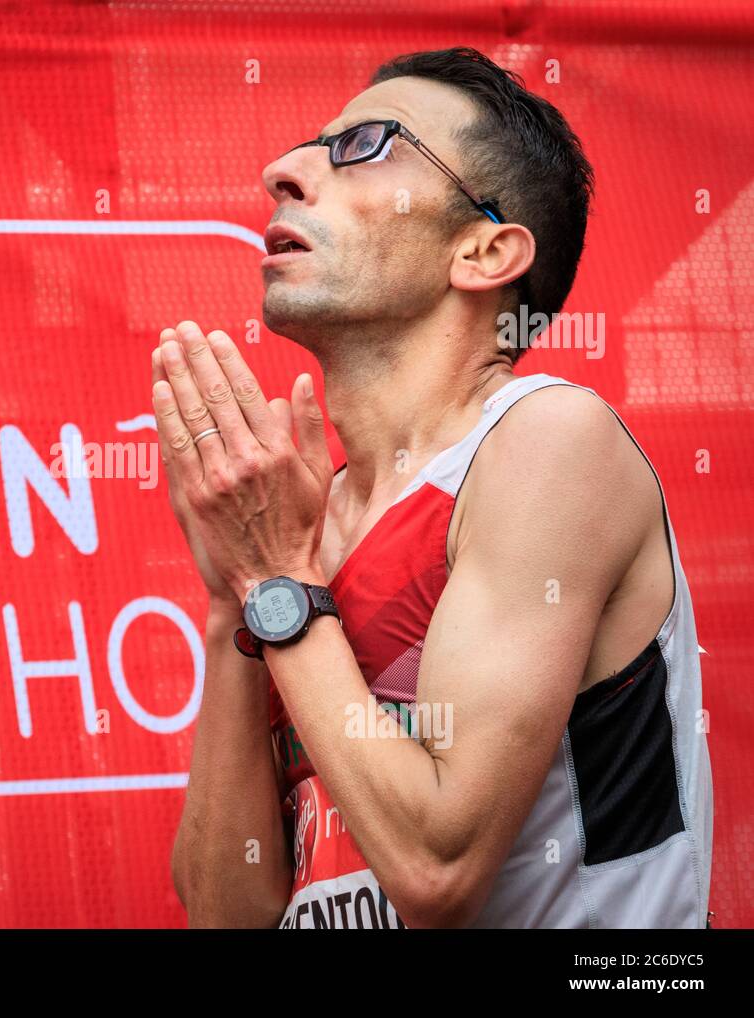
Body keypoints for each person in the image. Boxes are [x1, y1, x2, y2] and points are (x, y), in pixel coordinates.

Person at [160, 47, 712, 929]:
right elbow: (227, 914)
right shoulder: (300, 528)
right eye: (310, 145)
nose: (284, 171)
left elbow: (435, 869)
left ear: (484, 250)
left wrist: (277, 590)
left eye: (364, 146)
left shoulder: (546, 439)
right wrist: (239, 595)